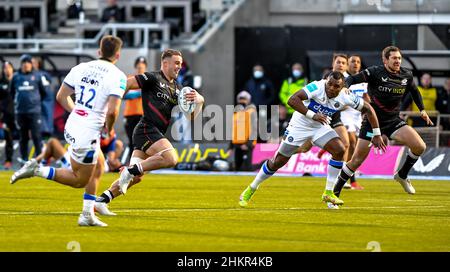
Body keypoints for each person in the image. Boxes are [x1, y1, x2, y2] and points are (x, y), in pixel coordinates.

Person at [10, 35, 127, 227]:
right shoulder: (118, 75)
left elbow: (61, 96)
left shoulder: (80, 68)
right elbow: (113, 110)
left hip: (74, 124)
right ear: (118, 55)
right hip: (88, 132)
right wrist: (109, 129)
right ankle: (37, 170)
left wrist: (78, 112)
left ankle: (88, 213)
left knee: (99, 165)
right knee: (79, 180)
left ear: (99, 52)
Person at [238, 71, 386, 209]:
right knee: (278, 161)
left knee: (340, 149)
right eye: (330, 84)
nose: (332, 88)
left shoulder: (346, 96)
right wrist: (313, 115)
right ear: (326, 81)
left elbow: (368, 109)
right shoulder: (316, 86)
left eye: (336, 86)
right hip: (299, 126)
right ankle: (252, 187)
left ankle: (328, 193)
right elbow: (292, 100)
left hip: (319, 127)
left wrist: (377, 133)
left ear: (342, 87)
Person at [94, 49, 205, 215]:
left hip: (153, 132)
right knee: (171, 157)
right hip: (146, 129)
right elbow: (126, 83)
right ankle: (129, 171)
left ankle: (102, 200)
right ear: (165, 63)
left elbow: (191, 116)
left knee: (137, 177)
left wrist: (200, 100)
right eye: (176, 63)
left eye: (180, 64)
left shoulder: (178, 89)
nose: (179, 67)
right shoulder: (152, 78)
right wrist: (112, 105)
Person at [333, 46, 434, 199]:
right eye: (394, 58)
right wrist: (346, 87)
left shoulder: (406, 75)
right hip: (372, 121)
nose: (398, 61)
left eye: (399, 58)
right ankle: (335, 191)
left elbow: (414, 90)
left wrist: (422, 110)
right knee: (356, 160)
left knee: (420, 146)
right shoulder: (375, 72)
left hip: (393, 121)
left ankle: (402, 175)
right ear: (385, 60)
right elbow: (352, 78)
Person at [10, 54, 46, 163]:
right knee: (23, 137)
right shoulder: (16, 77)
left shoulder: (38, 76)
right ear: (21, 64)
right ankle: (24, 160)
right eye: (24, 62)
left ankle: (39, 160)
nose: (26, 65)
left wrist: (34, 102)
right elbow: (12, 93)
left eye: (28, 62)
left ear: (31, 64)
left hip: (34, 112)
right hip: (20, 112)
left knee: (36, 136)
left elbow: (43, 93)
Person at [340, 55, 368, 190]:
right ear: (348, 65)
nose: (355, 64)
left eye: (358, 61)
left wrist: (367, 109)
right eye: (352, 62)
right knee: (350, 143)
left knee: (354, 147)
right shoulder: (343, 78)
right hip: (345, 115)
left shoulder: (363, 80)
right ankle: (347, 178)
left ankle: (350, 178)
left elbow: (366, 97)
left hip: (357, 118)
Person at [123, 57, 146, 163]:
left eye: (142, 66)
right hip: (130, 114)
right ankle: (131, 162)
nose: (140, 68)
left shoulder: (147, 79)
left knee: (142, 140)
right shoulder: (130, 78)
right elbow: (124, 95)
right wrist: (138, 94)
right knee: (132, 140)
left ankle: (142, 162)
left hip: (143, 115)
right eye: (138, 66)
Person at [229, 90, 257, 171]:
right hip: (237, 145)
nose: (242, 101)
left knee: (247, 168)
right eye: (240, 99)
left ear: (248, 100)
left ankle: (262, 164)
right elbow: (233, 131)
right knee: (237, 168)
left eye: (244, 99)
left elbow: (254, 130)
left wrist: (248, 144)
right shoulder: (236, 113)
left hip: (247, 145)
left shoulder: (252, 112)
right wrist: (231, 147)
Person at [32, 56, 54, 139]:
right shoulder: (28, 75)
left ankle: (47, 136)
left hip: (44, 100)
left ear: (38, 64)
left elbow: (46, 89)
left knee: (46, 118)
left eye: (33, 62)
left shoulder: (41, 74)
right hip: (35, 102)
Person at [0, 61, 15, 169]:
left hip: (21, 114)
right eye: (5, 68)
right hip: (6, 115)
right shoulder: (1, 82)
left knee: (26, 137)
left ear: (12, 69)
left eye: (9, 67)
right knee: (8, 137)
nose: (7, 69)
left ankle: (28, 159)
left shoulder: (18, 79)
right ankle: (8, 160)